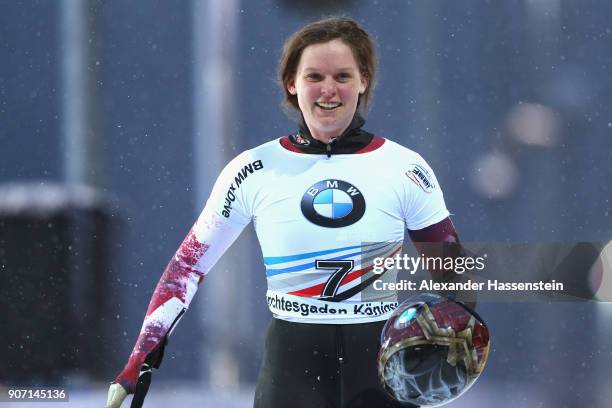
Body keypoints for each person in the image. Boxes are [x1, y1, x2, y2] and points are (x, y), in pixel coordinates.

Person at [106, 16, 466, 408]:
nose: (329, 90)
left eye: (343, 76)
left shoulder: (404, 167)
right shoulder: (253, 169)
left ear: (363, 81)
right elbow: (186, 270)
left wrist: (452, 342)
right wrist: (138, 362)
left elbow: (455, 276)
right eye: (315, 76)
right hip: (293, 367)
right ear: (292, 84)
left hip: (382, 367)